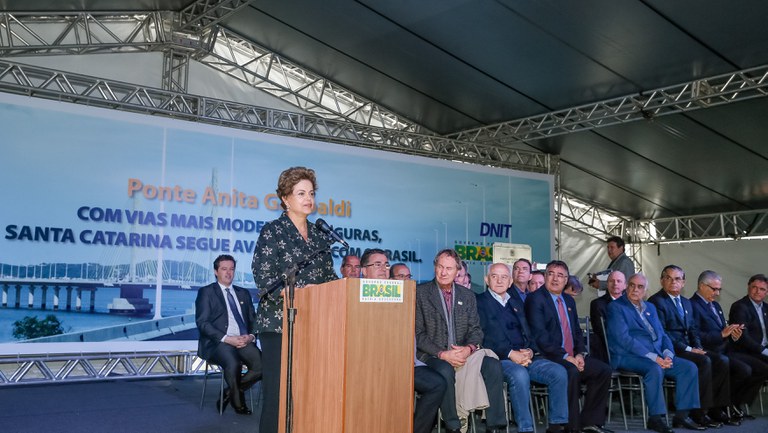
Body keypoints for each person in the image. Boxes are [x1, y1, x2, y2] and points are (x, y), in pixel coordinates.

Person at [251, 167, 338, 433]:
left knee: (308, 393)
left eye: (311, 193)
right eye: (301, 193)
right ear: (285, 198)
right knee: (278, 395)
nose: (308, 198)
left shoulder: (321, 236)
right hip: (278, 323)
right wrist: (298, 291)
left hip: (312, 325)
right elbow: (263, 275)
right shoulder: (273, 231)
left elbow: (330, 279)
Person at [415, 249, 508, 433]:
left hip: (464, 354)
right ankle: (453, 425)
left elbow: (475, 330)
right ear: (434, 267)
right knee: (445, 369)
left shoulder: (467, 295)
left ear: (457, 271)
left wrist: (468, 349)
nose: (443, 272)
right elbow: (418, 334)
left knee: (493, 365)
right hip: (433, 355)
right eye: (440, 267)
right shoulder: (420, 293)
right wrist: (443, 354)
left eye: (449, 268)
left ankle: (494, 425)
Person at [477, 262, 568, 433]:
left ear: (510, 281)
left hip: (526, 357)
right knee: (519, 375)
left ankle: (557, 425)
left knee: (558, 372)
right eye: (494, 276)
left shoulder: (515, 303)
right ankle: (525, 428)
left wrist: (530, 351)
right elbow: (483, 337)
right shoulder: (479, 302)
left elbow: (529, 332)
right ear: (486, 279)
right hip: (499, 358)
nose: (499, 280)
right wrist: (511, 354)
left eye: (504, 277)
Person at [361, 249, 445, 433]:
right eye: (377, 264)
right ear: (364, 271)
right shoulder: (356, 294)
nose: (383, 268)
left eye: (385, 264)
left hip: (404, 363)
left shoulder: (400, 293)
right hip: (369, 366)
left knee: (437, 384)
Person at [525, 260, 613, 433]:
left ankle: (589, 421)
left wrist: (580, 354)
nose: (556, 279)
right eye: (551, 274)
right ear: (545, 276)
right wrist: (566, 357)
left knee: (603, 370)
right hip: (548, 356)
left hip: (571, 355)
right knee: (570, 371)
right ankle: (570, 427)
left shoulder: (568, 301)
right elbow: (540, 336)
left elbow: (576, 332)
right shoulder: (535, 299)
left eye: (561, 276)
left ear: (566, 280)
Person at [606, 273, 700, 433]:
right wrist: (654, 357)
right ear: (626, 287)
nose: (635, 289)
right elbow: (624, 339)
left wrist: (668, 353)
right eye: (632, 285)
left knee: (689, 367)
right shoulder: (616, 307)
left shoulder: (650, 307)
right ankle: (655, 418)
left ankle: (682, 416)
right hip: (626, 355)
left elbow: (662, 334)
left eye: (640, 286)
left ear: (646, 291)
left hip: (656, 355)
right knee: (654, 369)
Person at [648, 265, 726, 429]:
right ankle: (697, 413)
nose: (673, 282)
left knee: (720, 359)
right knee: (704, 361)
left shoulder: (685, 302)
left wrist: (697, 346)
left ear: (683, 282)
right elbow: (662, 334)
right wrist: (689, 349)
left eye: (677, 279)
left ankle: (713, 408)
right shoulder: (656, 302)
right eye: (668, 278)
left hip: (689, 348)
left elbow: (693, 329)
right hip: (670, 349)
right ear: (662, 281)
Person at [195, 254, 262, 415]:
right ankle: (238, 402)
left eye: (231, 269)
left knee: (263, 366)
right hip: (219, 342)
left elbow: (253, 320)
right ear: (216, 271)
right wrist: (227, 339)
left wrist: (251, 336)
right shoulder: (206, 292)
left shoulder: (243, 293)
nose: (228, 273)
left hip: (243, 340)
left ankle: (229, 392)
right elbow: (202, 323)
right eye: (224, 269)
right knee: (234, 364)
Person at [690, 270, 757, 426]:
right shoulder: (692, 305)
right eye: (714, 289)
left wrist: (732, 333)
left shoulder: (716, 305)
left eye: (719, 289)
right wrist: (721, 335)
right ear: (701, 285)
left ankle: (724, 405)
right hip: (708, 350)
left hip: (723, 349)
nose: (717, 292)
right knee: (727, 364)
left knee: (746, 369)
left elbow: (722, 329)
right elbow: (696, 335)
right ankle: (714, 408)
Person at [728, 273, 768, 419]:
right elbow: (743, 338)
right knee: (763, 368)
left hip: (759, 352)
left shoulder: (766, 308)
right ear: (748, 288)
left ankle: (741, 402)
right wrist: (764, 351)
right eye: (754, 287)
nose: (758, 291)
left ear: (767, 292)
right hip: (742, 351)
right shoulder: (740, 307)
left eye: (762, 289)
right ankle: (734, 402)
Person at [589, 270, 626, 364]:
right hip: (611, 350)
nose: (615, 284)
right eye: (611, 281)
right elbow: (601, 332)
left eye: (619, 281)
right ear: (607, 284)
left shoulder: (630, 304)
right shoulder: (597, 304)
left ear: (625, 285)